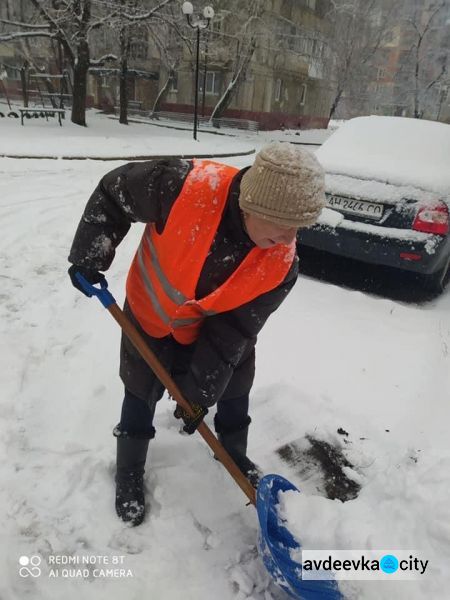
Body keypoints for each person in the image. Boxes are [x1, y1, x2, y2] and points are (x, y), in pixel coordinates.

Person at [68, 142, 325, 526]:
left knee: (236, 381)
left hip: (210, 327)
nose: (290, 239)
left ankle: (234, 452)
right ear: (252, 206)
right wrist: (89, 256)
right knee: (141, 388)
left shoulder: (280, 266)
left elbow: (234, 331)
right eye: (283, 226)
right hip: (151, 311)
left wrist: (198, 396)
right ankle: (129, 473)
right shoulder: (183, 186)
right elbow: (114, 192)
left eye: (298, 228)